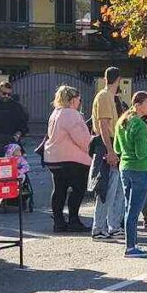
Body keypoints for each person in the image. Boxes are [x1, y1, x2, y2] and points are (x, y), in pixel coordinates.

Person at [44, 86, 93, 232]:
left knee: (59, 189)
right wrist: (91, 148)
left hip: (54, 157)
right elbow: (82, 139)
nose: (80, 102)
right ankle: (73, 220)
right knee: (78, 190)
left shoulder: (55, 113)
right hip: (73, 159)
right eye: (79, 99)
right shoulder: (72, 114)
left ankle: (58, 220)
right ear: (73, 100)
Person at [113, 91, 147, 258]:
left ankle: (132, 243)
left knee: (128, 207)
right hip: (140, 168)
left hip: (125, 167)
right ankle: (131, 247)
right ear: (137, 105)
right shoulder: (138, 124)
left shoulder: (122, 121)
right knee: (134, 209)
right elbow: (141, 152)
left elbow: (117, 148)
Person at [91, 67, 125, 238]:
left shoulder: (113, 98)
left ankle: (113, 225)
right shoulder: (104, 96)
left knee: (118, 189)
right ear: (118, 79)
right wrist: (110, 151)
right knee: (106, 189)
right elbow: (103, 125)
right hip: (107, 145)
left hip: (115, 144)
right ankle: (98, 228)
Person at [0, 80, 29, 157]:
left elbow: (23, 123)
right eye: (4, 93)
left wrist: (18, 134)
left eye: (9, 94)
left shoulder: (16, 106)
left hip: (12, 143)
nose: (6, 96)